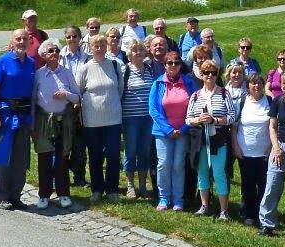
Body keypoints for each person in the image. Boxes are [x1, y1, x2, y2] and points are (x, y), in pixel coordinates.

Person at [0, 29, 36, 210]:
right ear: (12, 42)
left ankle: (16, 196)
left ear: (29, 42)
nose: (21, 42)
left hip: (24, 116)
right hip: (5, 115)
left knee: (20, 159)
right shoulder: (1, 61)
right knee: (3, 156)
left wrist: (32, 117)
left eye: (24, 39)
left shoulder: (31, 63)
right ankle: (2, 196)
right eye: (18, 39)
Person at [75, 34, 123, 201]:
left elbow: (120, 90)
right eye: (96, 45)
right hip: (91, 121)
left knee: (113, 155)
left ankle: (112, 189)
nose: (100, 48)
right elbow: (78, 92)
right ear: (90, 47)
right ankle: (96, 189)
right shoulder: (84, 68)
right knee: (95, 156)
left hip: (113, 119)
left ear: (107, 46)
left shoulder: (115, 65)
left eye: (103, 45)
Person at [33, 38, 80, 209]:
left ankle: (63, 193)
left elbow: (77, 97)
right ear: (44, 55)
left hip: (63, 121)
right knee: (44, 158)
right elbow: (33, 100)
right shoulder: (38, 74)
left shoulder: (66, 73)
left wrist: (66, 94)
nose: (55, 54)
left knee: (62, 158)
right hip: (44, 121)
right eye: (51, 51)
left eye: (57, 51)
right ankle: (44, 195)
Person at [149, 51, 197, 211]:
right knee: (163, 164)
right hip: (163, 132)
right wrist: (169, 130)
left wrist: (182, 128)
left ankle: (178, 199)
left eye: (177, 63)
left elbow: (194, 107)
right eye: (170, 63)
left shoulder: (189, 83)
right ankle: (163, 198)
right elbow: (153, 109)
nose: (174, 66)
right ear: (165, 65)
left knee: (178, 164)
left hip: (183, 131)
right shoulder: (158, 84)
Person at [188, 58, 235, 218]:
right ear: (201, 75)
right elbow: (188, 119)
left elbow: (232, 116)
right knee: (202, 172)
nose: (209, 76)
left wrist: (214, 120)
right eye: (206, 73)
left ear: (217, 75)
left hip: (218, 139)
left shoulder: (223, 93)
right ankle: (204, 205)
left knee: (219, 173)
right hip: (201, 139)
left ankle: (224, 210)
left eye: (213, 73)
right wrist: (198, 120)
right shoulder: (195, 95)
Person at [258, 69, 285, 234]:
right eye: (283, 83)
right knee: (272, 185)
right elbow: (272, 126)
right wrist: (275, 147)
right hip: (281, 146)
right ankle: (267, 223)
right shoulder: (277, 101)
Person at [233, 73, 273, 225]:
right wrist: (235, 147)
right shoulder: (242, 102)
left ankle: (262, 213)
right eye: (253, 83)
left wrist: (271, 147)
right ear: (248, 86)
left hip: (265, 152)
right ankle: (248, 213)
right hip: (245, 152)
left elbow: (273, 126)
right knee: (247, 184)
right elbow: (235, 128)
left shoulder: (269, 101)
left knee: (263, 185)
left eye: (259, 83)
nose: (256, 86)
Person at [121, 39, 155, 200]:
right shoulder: (124, 70)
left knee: (144, 151)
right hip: (130, 118)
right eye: (135, 50)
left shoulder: (149, 69)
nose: (138, 53)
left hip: (147, 119)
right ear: (129, 54)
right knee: (130, 151)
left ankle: (142, 185)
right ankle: (130, 185)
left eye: (141, 50)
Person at [61, 26, 89, 187]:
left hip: (82, 104)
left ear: (80, 38)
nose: (72, 39)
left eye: (75, 36)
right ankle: (61, 175)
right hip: (64, 105)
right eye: (69, 37)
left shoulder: (87, 57)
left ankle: (79, 176)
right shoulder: (59, 56)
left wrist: (80, 100)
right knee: (64, 141)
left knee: (80, 143)